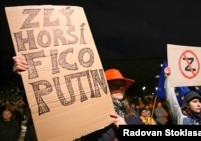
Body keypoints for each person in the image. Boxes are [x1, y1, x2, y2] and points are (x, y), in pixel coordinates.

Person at [13, 56, 143, 141]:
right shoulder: (88, 109)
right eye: (114, 85)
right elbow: (48, 104)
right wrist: (25, 76)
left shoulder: (131, 112)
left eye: (122, 85)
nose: (120, 87)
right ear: (103, 87)